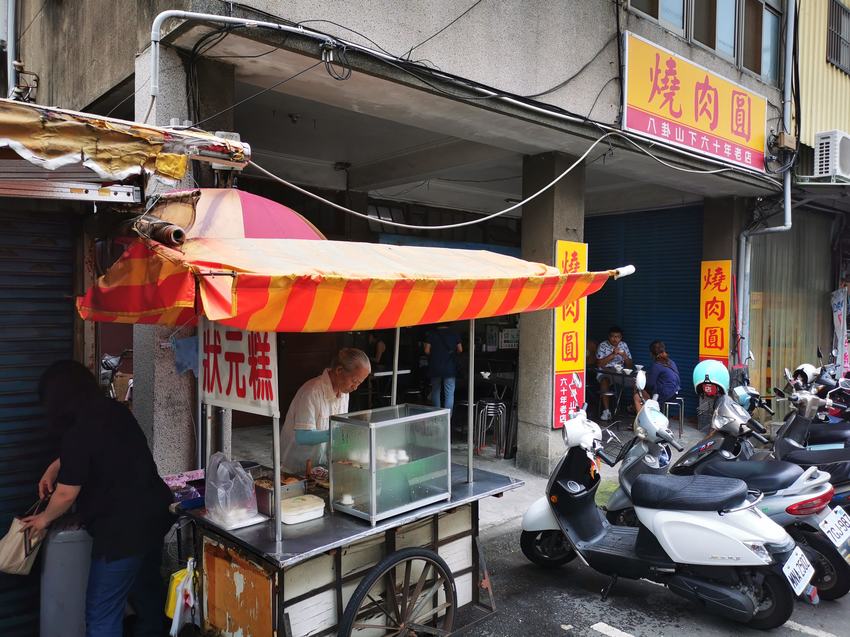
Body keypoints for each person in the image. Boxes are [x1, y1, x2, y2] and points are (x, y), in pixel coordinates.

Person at [20, 360, 173, 637]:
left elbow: (66, 494)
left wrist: (43, 519)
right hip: (154, 514)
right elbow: (101, 447)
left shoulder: (77, 432)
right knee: (146, 589)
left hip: (122, 532)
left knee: (101, 613)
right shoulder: (114, 411)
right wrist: (57, 466)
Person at [281, 348, 371, 473]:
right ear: (339, 370)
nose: (355, 387)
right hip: (295, 467)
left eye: (359, 383)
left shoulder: (344, 393)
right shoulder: (312, 392)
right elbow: (302, 437)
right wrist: (337, 432)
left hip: (321, 466)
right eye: (354, 381)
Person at [595, 326, 633, 421]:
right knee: (604, 381)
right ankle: (607, 411)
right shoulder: (603, 345)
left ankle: (635, 408)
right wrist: (612, 355)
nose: (615, 339)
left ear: (621, 338)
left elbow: (630, 366)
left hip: (619, 372)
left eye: (618, 337)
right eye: (612, 336)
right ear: (609, 336)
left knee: (636, 382)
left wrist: (624, 356)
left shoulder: (624, 345)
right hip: (605, 371)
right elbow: (599, 364)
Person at [424, 325, 463, 413]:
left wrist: (435, 353)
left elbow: (426, 350)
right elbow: (460, 349)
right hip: (450, 367)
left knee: (435, 390)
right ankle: (448, 418)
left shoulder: (431, 333)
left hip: (435, 366)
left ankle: (437, 415)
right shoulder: (454, 333)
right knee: (449, 394)